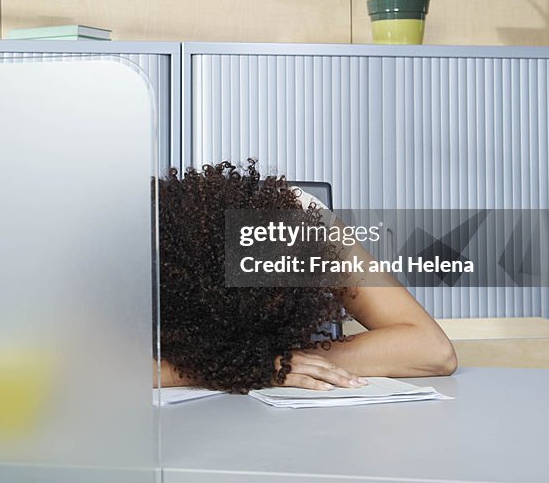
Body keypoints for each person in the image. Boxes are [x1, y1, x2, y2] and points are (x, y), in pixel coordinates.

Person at [156, 160, 456, 394]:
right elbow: (109, 371)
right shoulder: (141, 234)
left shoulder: (301, 217)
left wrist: (277, 362)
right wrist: (246, 367)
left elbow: (432, 349)